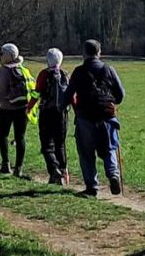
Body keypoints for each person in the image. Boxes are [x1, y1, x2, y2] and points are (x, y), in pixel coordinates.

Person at [62, 39, 125, 196]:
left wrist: (62, 106)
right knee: (109, 147)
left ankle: (92, 187)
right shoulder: (109, 70)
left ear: (84, 53)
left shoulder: (78, 72)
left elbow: (68, 95)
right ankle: (113, 174)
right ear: (99, 52)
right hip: (107, 116)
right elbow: (120, 94)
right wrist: (112, 102)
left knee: (86, 153)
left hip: (85, 117)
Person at [0, 43, 33, 178]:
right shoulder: (23, 68)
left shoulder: (4, 70)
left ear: (9, 55)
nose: (0, 56)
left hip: (7, 109)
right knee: (20, 137)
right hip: (22, 107)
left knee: (3, 135)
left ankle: (6, 164)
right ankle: (19, 168)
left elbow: (2, 92)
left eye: (2, 53)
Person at [26, 48, 70, 185]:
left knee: (47, 145)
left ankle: (53, 168)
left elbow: (37, 93)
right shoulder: (65, 75)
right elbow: (71, 95)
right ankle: (63, 172)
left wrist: (29, 107)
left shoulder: (44, 74)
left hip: (46, 112)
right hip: (62, 113)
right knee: (60, 144)